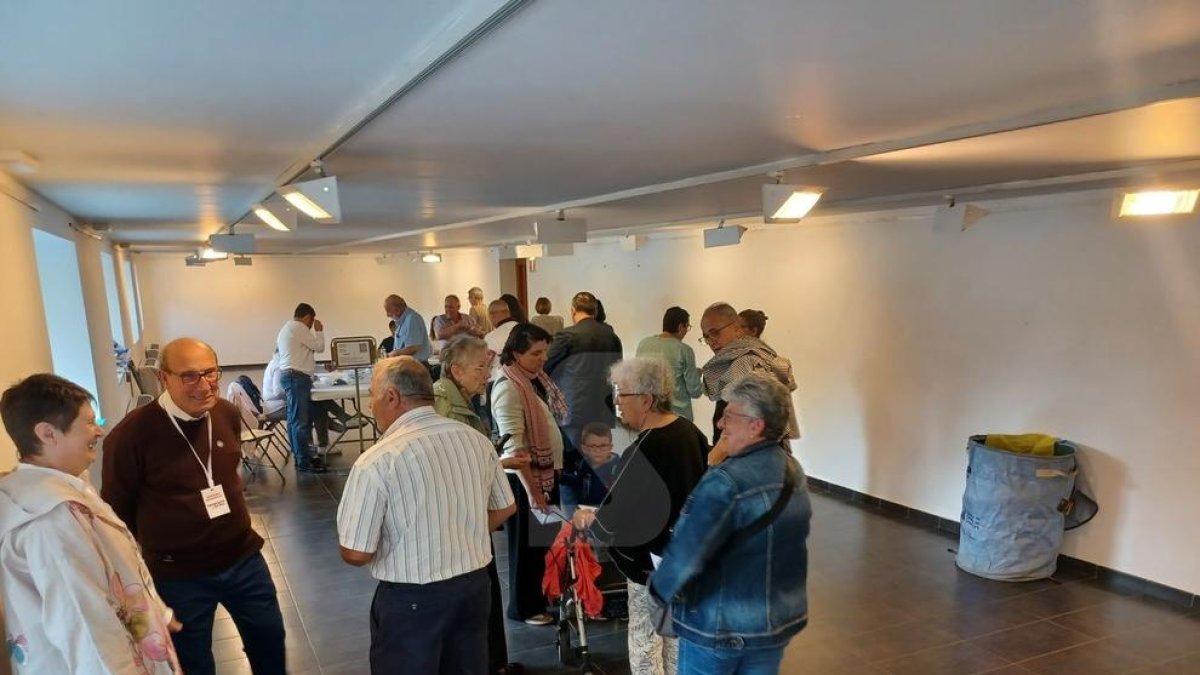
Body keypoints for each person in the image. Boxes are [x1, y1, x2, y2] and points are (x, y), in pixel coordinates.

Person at [102, 338, 287, 675]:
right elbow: (117, 512)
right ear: (163, 378)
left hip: (243, 558)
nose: (204, 385)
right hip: (178, 573)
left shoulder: (226, 413)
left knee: (269, 641)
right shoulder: (130, 437)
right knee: (194, 662)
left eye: (210, 373)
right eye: (189, 376)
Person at [337, 357, 516, 675]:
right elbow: (505, 507)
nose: (370, 405)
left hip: (412, 598)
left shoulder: (377, 461)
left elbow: (356, 552)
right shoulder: (475, 440)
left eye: (372, 396)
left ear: (391, 397)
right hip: (474, 587)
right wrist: (463, 530)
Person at [0, 374, 182, 674]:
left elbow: (114, 565)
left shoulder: (60, 486)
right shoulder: (50, 520)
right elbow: (84, 623)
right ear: (48, 433)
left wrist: (155, 614)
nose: (98, 430)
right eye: (87, 422)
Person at [649, 374, 812, 675]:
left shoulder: (724, 482)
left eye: (728, 417)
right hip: (774, 623)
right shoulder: (793, 471)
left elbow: (686, 554)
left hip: (719, 628)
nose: (721, 425)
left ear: (756, 426)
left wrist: (657, 592)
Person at [572, 358, 707, 675]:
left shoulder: (643, 450)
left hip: (652, 564)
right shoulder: (689, 431)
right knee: (674, 635)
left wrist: (589, 519)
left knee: (645, 640)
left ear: (647, 399)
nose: (617, 402)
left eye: (622, 393)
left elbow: (613, 517)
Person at [433, 335, 527, 675]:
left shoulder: (459, 401)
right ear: (456, 370)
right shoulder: (446, 407)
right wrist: (498, 463)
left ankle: (493, 662)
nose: (485, 375)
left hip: (470, 514)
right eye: (479, 369)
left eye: (486, 368)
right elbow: (454, 466)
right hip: (462, 520)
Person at [491, 323, 565, 626]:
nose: (542, 358)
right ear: (516, 352)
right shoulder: (508, 387)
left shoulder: (532, 378)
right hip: (526, 481)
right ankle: (524, 607)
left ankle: (542, 595)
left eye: (545, 351)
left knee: (542, 543)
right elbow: (514, 450)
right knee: (526, 547)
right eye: (536, 353)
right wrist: (534, 493)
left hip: (542, 476)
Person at [545, 291, 623, 477]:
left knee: (572, 464)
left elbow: (546, 365)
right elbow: (617, 370)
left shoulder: (567, 335)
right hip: (603, 408)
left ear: (573, 310)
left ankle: (576, 504)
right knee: (600, 462)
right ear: (595, 311)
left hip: (573, 408)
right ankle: (599, 503)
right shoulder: (612, 337)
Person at [699, 302, 799, 445]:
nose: (710, 341)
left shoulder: (746, 364)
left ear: (737, 328)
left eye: (715, 332)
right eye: (706, 337)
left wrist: (713, 460)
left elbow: (747, 429)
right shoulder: (752, 357)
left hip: (750, 459)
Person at [263, 349, 356, 457]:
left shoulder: (283, 363)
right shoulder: (279, 367)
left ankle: (335, 426)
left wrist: (318, 372)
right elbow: (278, 392)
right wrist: (298, 392)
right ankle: (326, 438)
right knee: (317, 409)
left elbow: (304, 371)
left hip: (282, 404)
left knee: (318, 402)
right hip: (276, 408)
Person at [275, 302, 328, 472]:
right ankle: (304, 461)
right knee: (301, 421)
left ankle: (299, 455)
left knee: (293, 420)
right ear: (307, 317)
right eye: (312, 321)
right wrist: (319, 331)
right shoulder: (298, 327)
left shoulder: (287, 328)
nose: (312, 325)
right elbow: (319, 347)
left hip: (291, 376)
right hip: (297, 378)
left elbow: (301, 356)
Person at [636, 307, 704, 420]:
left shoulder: (644, 344)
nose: (687, 331)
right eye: (687, 327)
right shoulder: (684, 350)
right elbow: (695, 391)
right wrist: (697, 375)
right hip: (677, 417)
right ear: (680, 326)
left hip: (648, 414)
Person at [559, 422, 619, 511]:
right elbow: (579, 480)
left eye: (603, 446)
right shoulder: (585, 462)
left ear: (610, 447)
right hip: (584, 507)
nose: (598, 450)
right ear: (584, 449)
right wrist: (561, 477)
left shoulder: (617, 468)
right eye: (592, 446)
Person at [384, 294, 432, 362]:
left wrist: (394, 354)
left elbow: (413, 348)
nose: (387, 315)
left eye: (389, 311)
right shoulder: (402, 321)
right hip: (409, 365)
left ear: (397, 309)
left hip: (415, 366)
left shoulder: (412, 319)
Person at [484, 298, 519, 381]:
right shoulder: (524, 329)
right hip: (523, 379)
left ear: (492, 315)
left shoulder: (491, 337)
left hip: (498, 381)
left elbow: (485, 363)